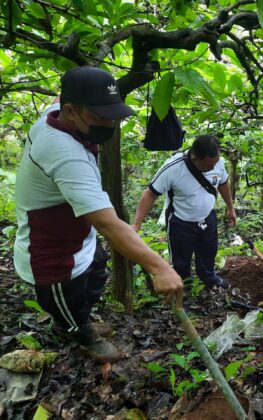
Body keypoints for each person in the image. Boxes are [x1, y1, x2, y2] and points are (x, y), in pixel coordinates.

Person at [13, 66, 184, 363]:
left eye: (112, 115)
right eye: (100, 116)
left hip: (79, 236)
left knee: (93, 278)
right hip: (51, 250)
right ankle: (77, 332)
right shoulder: (67, 154)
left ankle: (83, 319)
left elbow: (59, 95)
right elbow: (108, 223)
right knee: (67, 302)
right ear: (70, 112)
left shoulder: (55, 114)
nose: (110, 123)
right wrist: (161, 268)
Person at [132, 135, 236, 289]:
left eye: (215, 163)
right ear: (195, 158)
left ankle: (208, 276)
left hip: (207, 217)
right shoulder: (173, 168)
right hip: (180, 222)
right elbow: (150, 194)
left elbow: (223, 183)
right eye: (208, 164)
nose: (213, 167)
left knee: (209, 251)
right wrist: (136, 224)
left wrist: (230, 208)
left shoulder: (218, 162)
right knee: (181, 260)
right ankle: (182, 283)